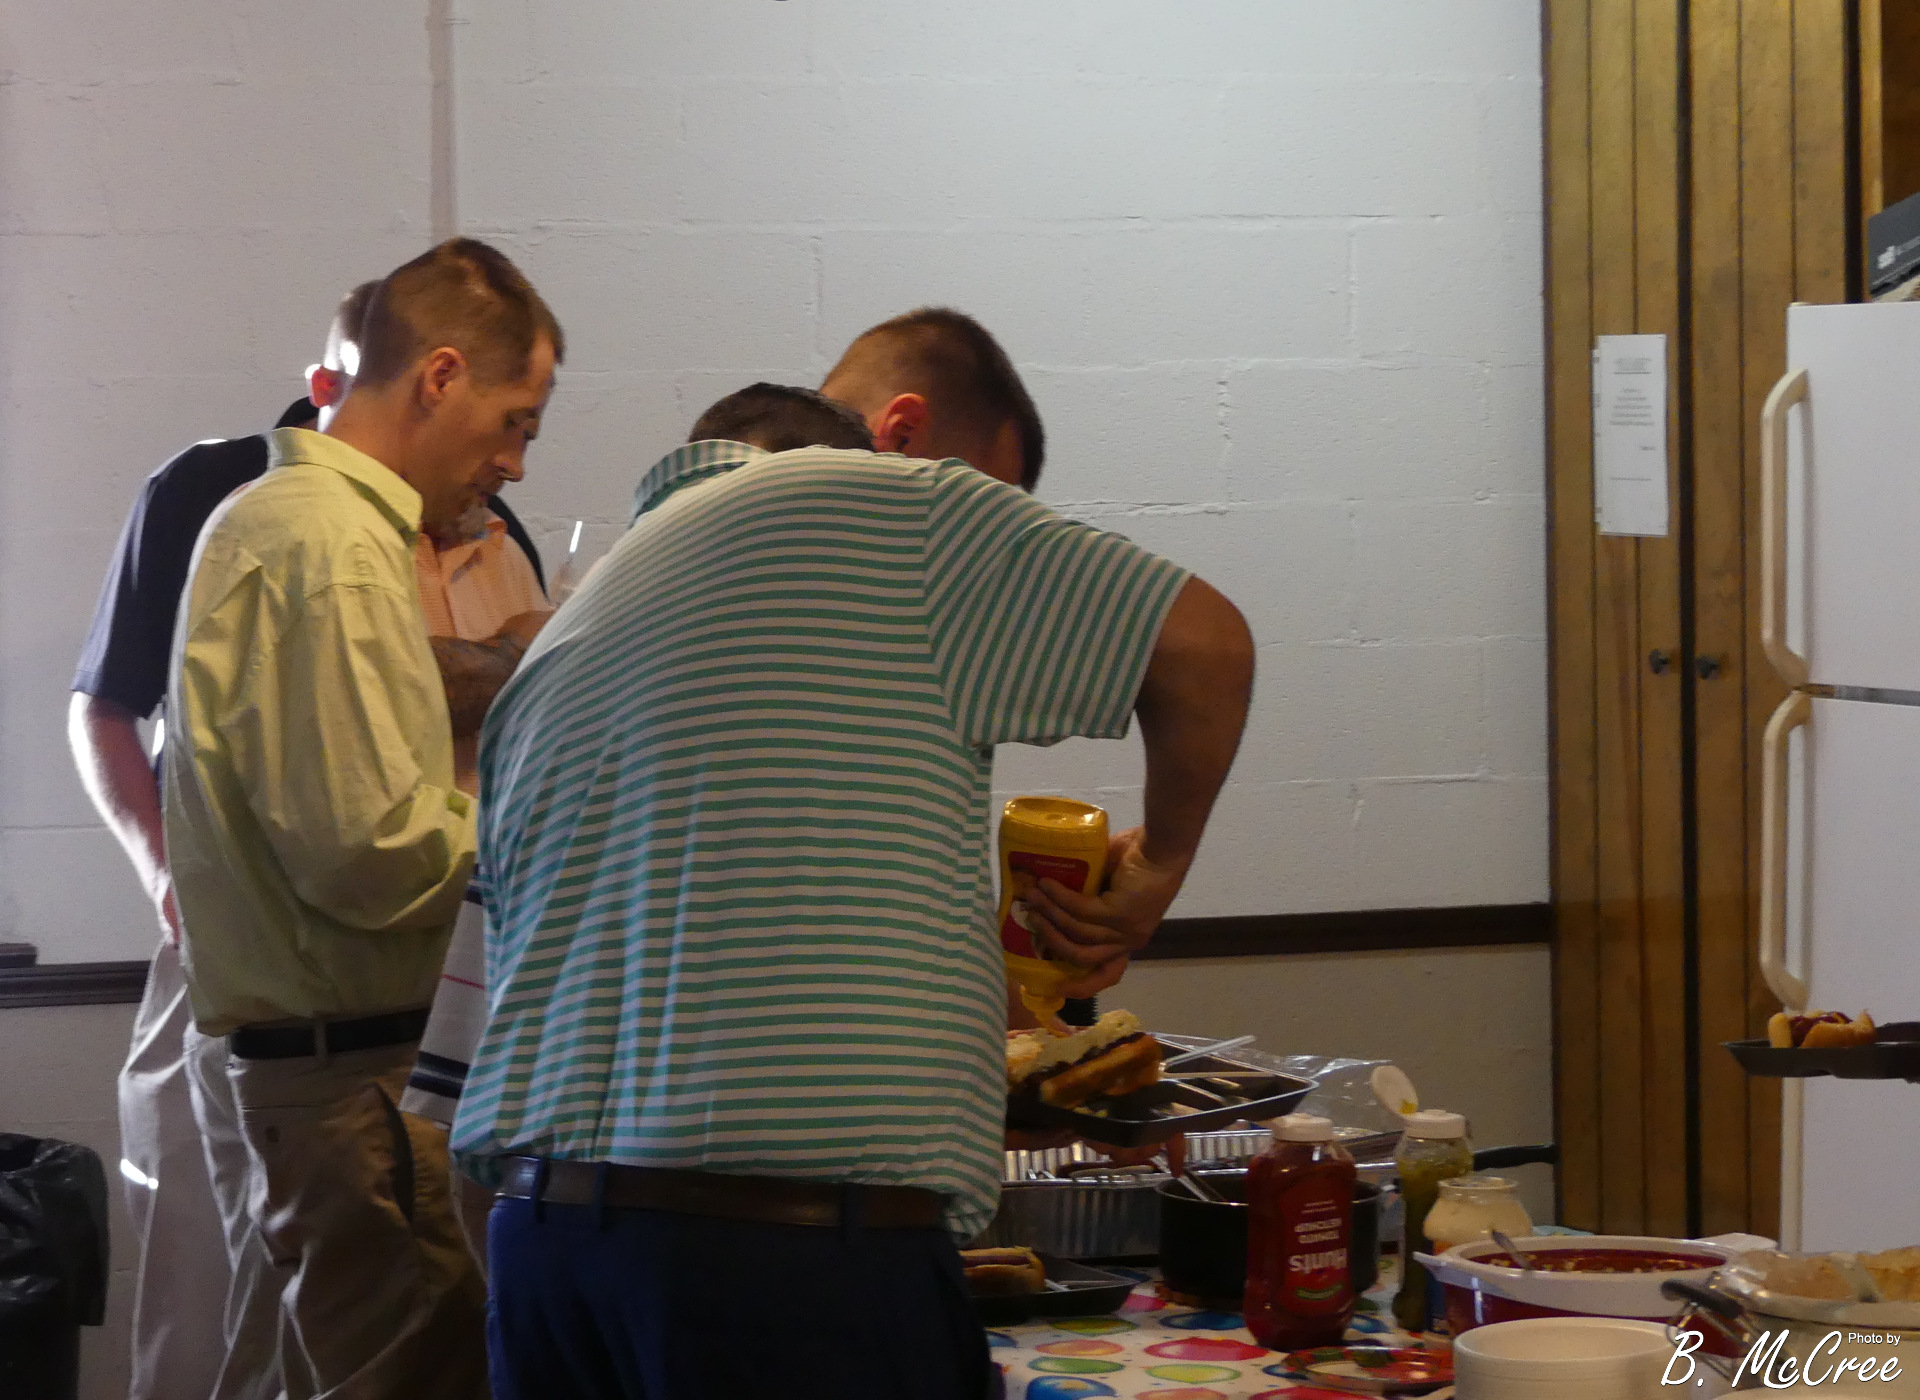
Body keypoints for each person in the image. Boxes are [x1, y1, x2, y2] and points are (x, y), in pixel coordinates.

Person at [457, 316, 1255, 1400]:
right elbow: (1205, 646)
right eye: (1003, 499)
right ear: (899, 440)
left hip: (545, 1253)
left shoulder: (563, 641)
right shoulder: (893, 507)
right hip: (780, 1269)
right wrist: (1155, 866)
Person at [163, 237, 563, 1398]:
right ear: (439, 375)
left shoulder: (318, 527)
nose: (515, 462)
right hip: (361, 1081)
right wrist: (566, 843)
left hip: (350, 1072)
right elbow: (368, 851)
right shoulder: (325, 541)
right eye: (517, 421)